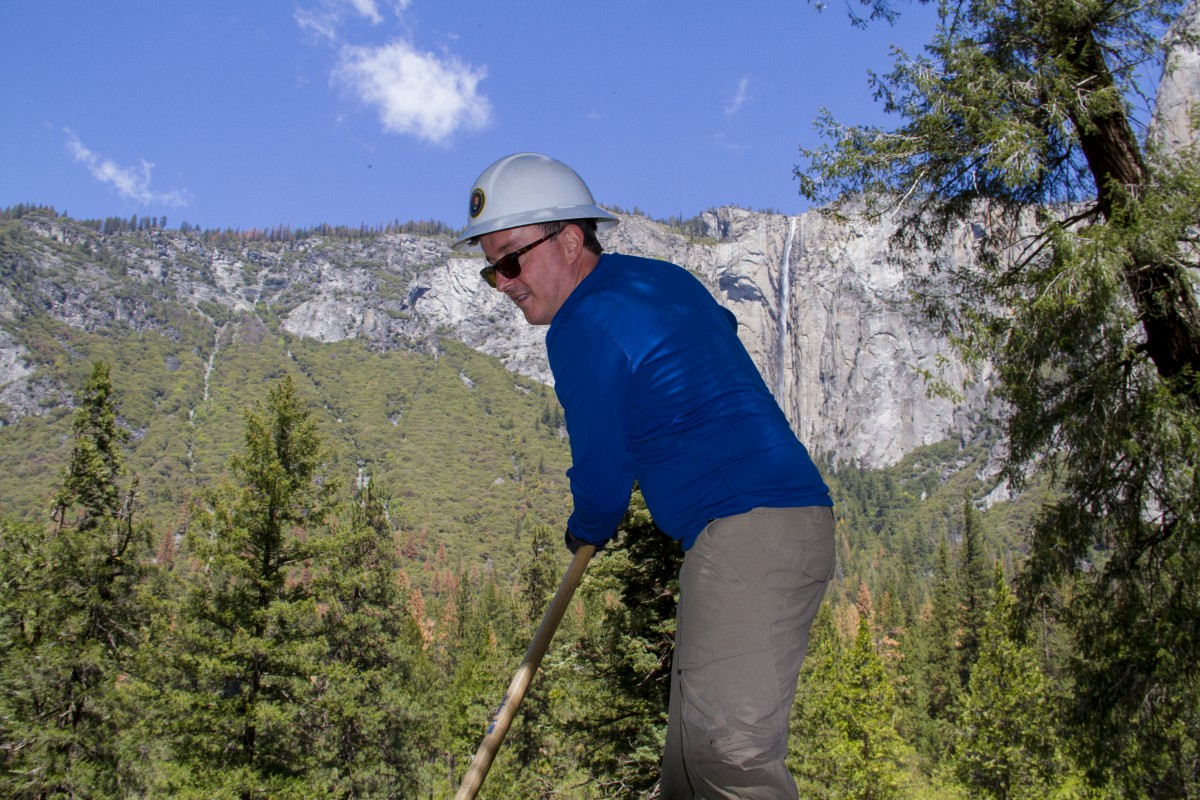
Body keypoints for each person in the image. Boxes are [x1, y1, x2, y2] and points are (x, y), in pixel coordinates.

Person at [452, 153, 836, 799]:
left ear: (570, 239)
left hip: (748, 530)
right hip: (764, 530)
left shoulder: (581, 325)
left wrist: (585, 529)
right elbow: (717, 332)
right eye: (493, 269)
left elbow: (602, 483)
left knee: (728, 761)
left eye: (512, 260)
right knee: (686, 774)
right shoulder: (664, 279)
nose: (505, 282)